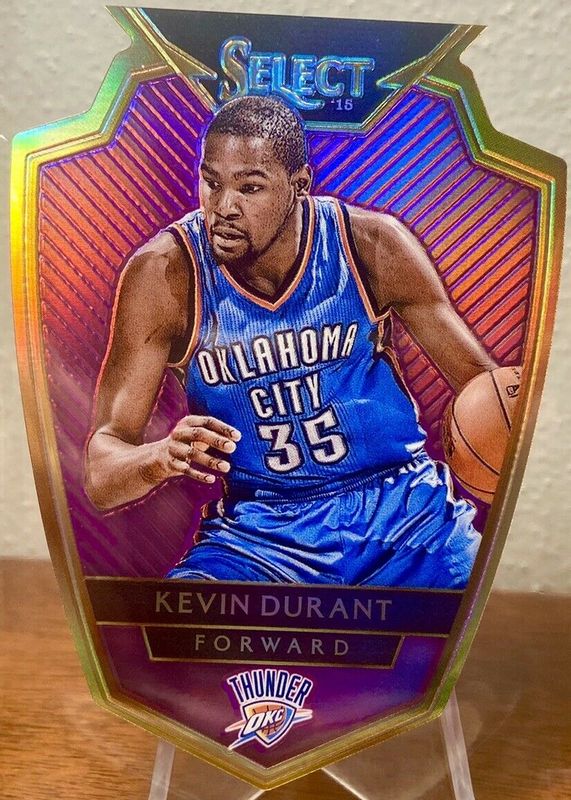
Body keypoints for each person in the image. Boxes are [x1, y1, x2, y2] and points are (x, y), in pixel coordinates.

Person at [85, 95, 495, 588]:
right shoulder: (165, 274)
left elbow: (484, 389)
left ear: (300, 185)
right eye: (211, 183)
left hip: (407, 519)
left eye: (249, 188)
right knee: (179, 626)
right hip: (261, 537)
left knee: (486, 623)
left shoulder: (370, 245)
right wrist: (159, 457)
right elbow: (102, 471)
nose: (224, 208)